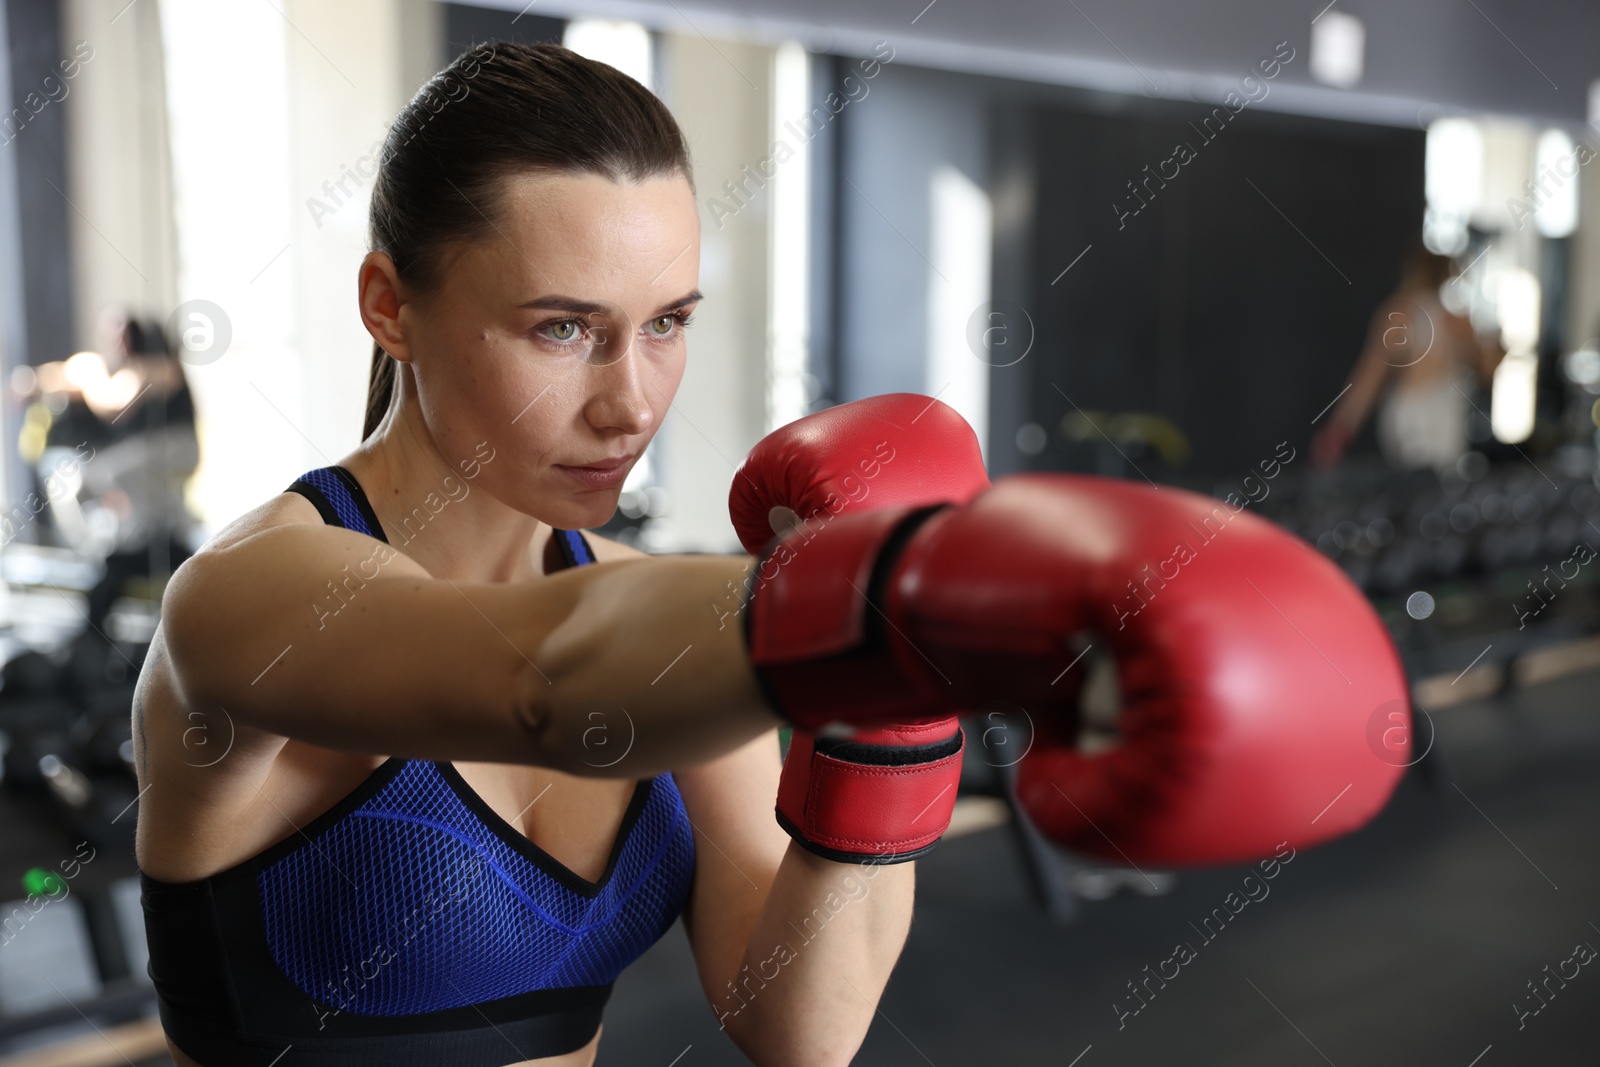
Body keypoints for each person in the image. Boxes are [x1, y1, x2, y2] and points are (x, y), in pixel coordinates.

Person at [1312, 243, 1503, 473]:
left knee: (1407, 489)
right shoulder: (1457, 321)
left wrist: (1340, 429)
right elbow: (1487, 372)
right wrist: (1498, 347)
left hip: (1403, 413)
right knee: (1437, 494)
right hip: (1439, 415)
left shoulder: (1395, 314)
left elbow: (1369, 378)